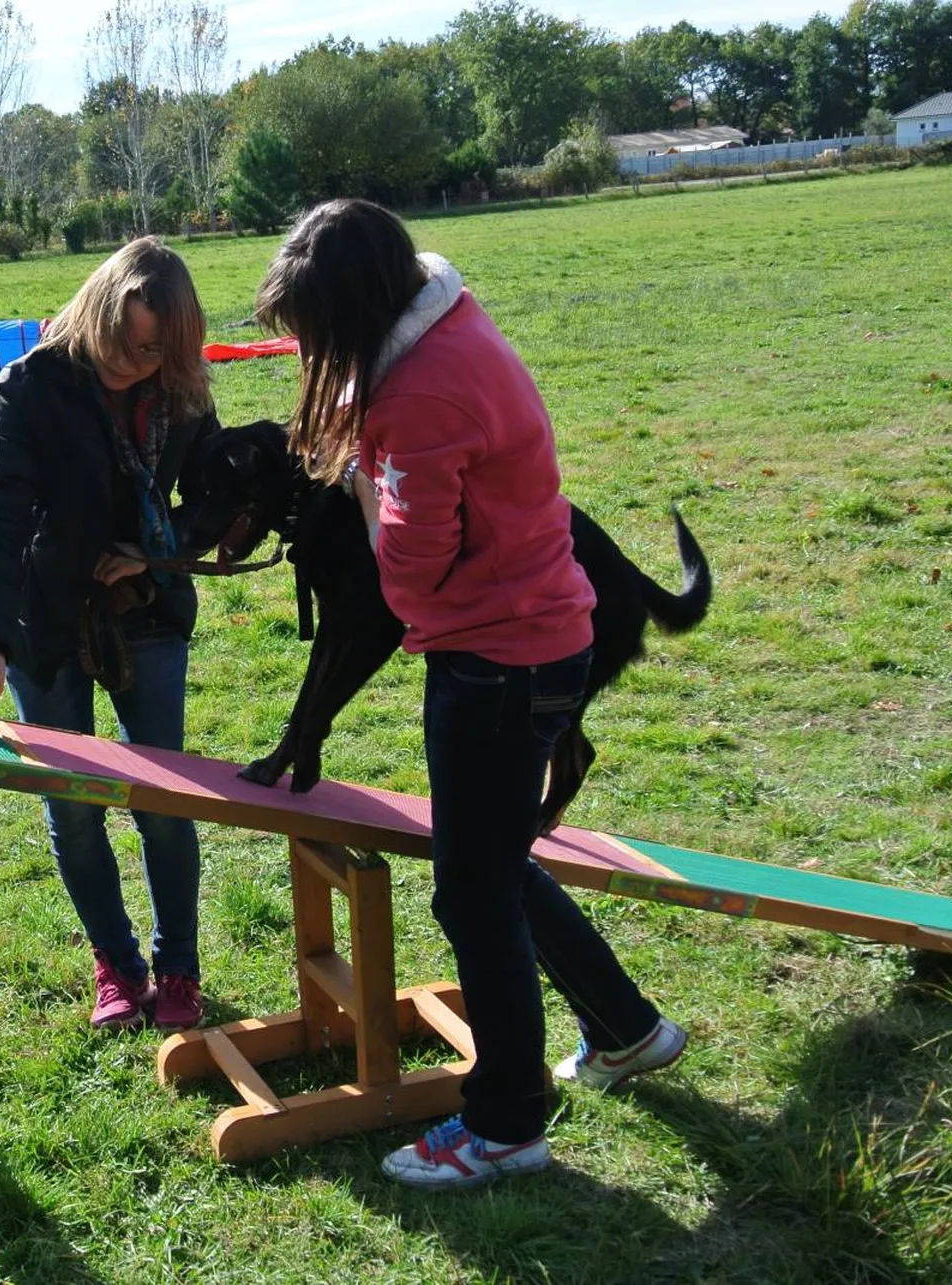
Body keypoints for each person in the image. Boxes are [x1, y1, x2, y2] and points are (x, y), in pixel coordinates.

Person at [253, 198, 687, 1190]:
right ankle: (626, 1029)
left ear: (356, 310)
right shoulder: (449, 316)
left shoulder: (420, 397)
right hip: (537, 636)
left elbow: (407, 583)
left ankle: (502, 1124)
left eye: (315, 333)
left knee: (473, 892)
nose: (313, 354)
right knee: (489, 863)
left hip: (497, 662)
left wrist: (363, 475)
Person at [0, 237, 222, 1034]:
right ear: (104, 311)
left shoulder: (182, 386)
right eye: (135, 347)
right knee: (72, 805)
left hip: (148, 612)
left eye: (161, 353)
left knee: (163, 802)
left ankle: (177, 968)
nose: (145, 365)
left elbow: (220, 488)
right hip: (45, 620)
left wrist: (159, 545)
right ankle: (117, 963)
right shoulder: (31, 386)